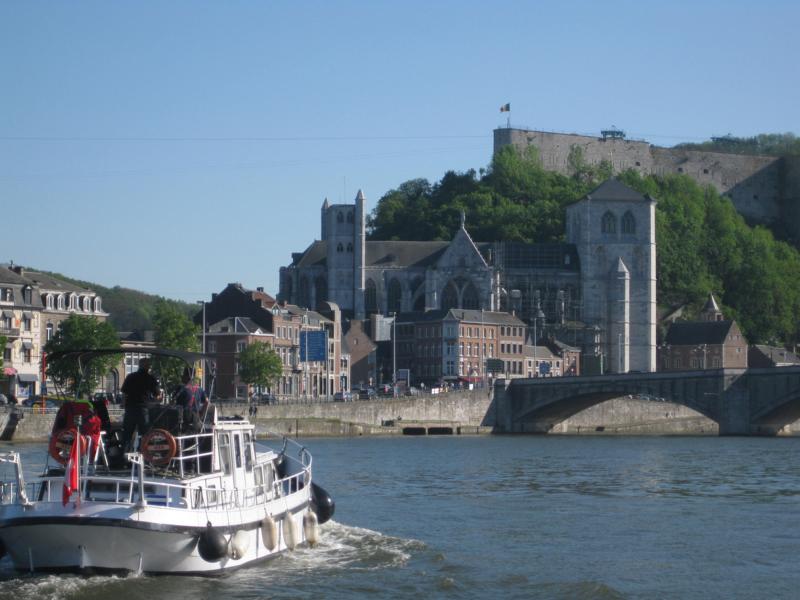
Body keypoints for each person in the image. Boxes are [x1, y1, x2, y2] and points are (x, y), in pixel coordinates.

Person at [121, 357, 160, 451]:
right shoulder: (150, 378)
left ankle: (124, 454)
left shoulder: (130, 376)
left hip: (130, 409)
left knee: (127, 434)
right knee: (145, 435)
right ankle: (143, 453)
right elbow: (157, 395)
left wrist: (124, 405)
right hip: (143, 409)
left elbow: (124, 394)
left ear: (139, 365)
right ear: (148, 367)